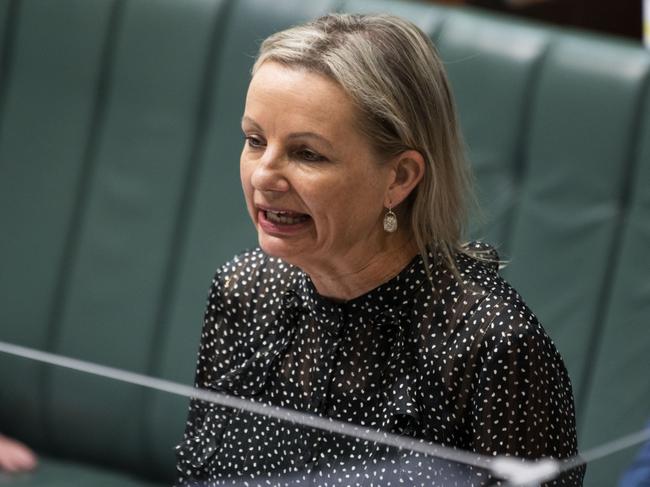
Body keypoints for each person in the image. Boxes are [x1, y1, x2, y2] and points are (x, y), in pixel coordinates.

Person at [175, 13, 584, 486]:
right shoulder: (245, 292)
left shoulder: (492, 347)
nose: (263, 175)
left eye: (307, 153)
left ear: (400, 177)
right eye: (254, 140)